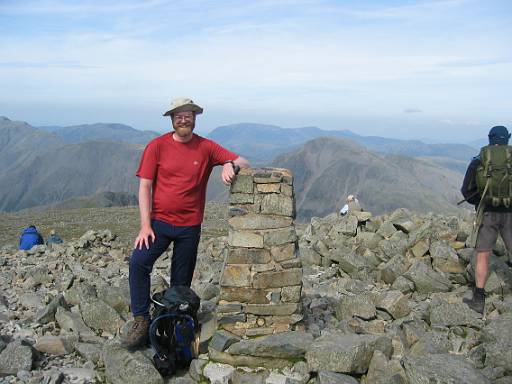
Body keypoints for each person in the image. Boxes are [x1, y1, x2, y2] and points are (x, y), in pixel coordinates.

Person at [121, 97, 250, 348]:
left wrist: (229, 164)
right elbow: (145, 186)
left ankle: (173, 326)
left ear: (195, 118)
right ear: (171, 119)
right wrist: (145, 225)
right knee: (138, 262)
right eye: (179, 115)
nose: (184, 119)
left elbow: (244, 161)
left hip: (189, 226)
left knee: (181, 282)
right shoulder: (156, 147)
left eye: (188, 115)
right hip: (158, 223)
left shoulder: (206, 147)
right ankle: (141, 319)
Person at [461, 125, 512, 314]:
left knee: (483, 255)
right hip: (511, 213)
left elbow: (466, 190)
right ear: (508, 138)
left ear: (489, 138)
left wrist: (481, 201)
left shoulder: (479, 160)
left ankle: (479, 299)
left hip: (487, 213)